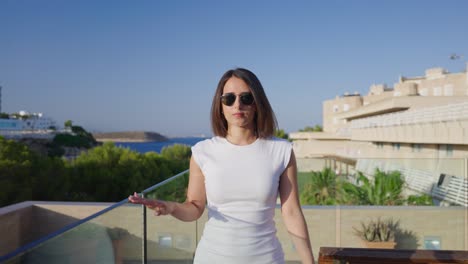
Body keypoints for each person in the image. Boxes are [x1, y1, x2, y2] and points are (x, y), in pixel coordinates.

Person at [129, 68, 315, 264]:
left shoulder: (281, 151)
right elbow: (195, 207)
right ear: (220, 105)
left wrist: (309, 262)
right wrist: (171, 207)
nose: (237, 105)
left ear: (258, 102)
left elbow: (292, 212)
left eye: (246, 98)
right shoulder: (203, 152)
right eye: (229, 99)